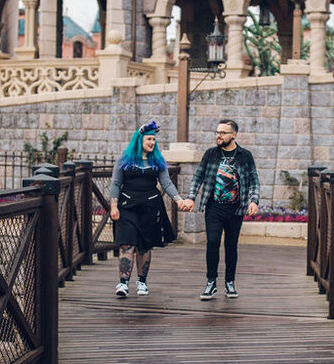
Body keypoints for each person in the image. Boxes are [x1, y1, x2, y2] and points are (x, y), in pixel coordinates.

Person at [179, 118, 260, 300]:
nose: (219, 136)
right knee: (213, 243)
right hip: (214, 207)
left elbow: (254, 180)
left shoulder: (245, 156)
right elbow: (198, 177)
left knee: (231, 246)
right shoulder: (211, 154)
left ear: (233, 135)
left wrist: (253, 201)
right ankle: (211, 282)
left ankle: (230, 282)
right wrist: (191, 197)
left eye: (223, 133)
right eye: (217, 132)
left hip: (236, 209)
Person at [109, 121, 185, 298]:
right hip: (127, 207)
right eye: (149, 139)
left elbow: (166, 183)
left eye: (154, 139)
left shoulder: (157, 161)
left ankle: (142, 282)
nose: (152, 142)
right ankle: (123, 283)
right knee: (127, 243)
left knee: (144, 246)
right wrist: (113, 206)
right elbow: (115, 183)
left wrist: (178, 200)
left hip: (150, 207)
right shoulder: (124, 160)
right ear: (139, 139)